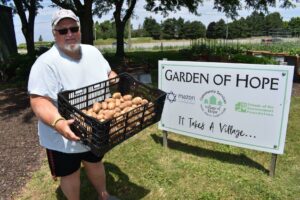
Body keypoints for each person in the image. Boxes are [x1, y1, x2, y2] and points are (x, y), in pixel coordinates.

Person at [28, 9, 117, 200]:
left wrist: (116, 83)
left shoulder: (92, 52)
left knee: (95, 162)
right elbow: (38, 100)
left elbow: (109, 73)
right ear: (54, 33)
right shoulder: (45, 64)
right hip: (62, 136)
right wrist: (58, 122)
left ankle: (104, 196)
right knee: (70, 173)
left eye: (73, 28)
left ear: (80, 30)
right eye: (63, 31)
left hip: (94, 128)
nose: (69, 34)